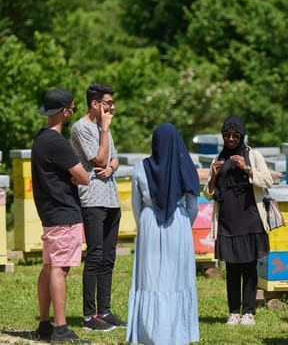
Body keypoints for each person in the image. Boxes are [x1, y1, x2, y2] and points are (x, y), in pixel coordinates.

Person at [126, 123, 201, 345]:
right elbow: (193, 205)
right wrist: (185, 225)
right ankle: (176, 333)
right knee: (177, 277)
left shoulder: (140, 167)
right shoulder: (186, 167)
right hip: (178, 223)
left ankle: (150, 331)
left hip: (149, 222)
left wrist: (146, 225)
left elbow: (136, 204)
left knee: (150, 277)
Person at [32, 88, 91, 344]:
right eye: (73, 109)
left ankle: (45, 324)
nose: (73, 113)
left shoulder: (40, 138)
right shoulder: (57, 142)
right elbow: (84, 177)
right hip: (64, 212)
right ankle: (61, 328)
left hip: (48, 212)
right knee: (60, 269)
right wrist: (75, 174)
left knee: (48, 267)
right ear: (65, 110)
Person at [203, 115, 273, 326]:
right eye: (227, 135)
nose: (231, 139)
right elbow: (208, 193)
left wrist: (247, 169)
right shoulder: (219, 156)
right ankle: (234, 312)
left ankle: (249, 312)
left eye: (235, 135)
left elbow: (267, 180)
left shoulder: (254, 155)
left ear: (242, 136)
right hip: (227, 221)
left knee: (249, 267)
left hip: (250, 218)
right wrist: (214, 175)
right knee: (232, 268)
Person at [70, 83, 125, 331]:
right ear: (95, 104)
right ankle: (89, 316)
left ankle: (105, 311)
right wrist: (104, 130)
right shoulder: (82, 128)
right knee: (94, 256)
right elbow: (100, 158)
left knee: (108, 257)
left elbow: (114, 159)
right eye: (108, 103)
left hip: (111, 198)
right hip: (92, 199)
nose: (112, 107)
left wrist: (112, 168)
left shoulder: (104, 127)